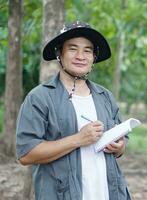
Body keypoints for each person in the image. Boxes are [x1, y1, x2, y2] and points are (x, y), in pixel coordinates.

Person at [16, 21, 131, 200]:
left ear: (94, 57)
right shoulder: (39, 97)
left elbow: (121, 146)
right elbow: (26, 154)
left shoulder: (105, 96)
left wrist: (119, 146)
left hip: (108, 193)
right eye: (72, 49)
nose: (80, 56)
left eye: (87, 50)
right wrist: (77, 139)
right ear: (59, 54)